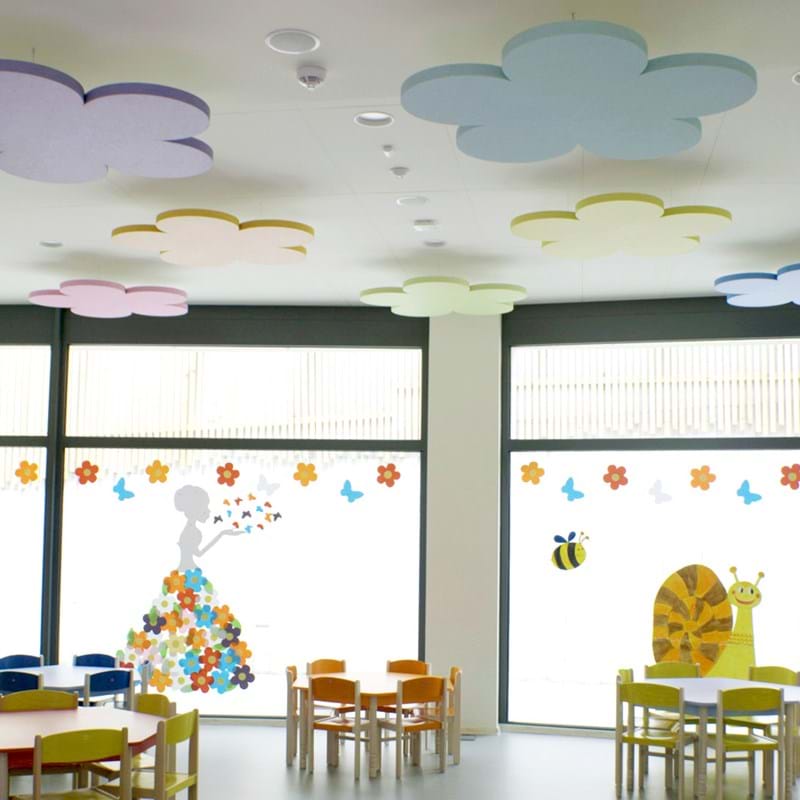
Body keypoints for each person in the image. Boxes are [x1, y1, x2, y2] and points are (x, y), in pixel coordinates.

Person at [119, 485, 255, 694]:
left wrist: (222, 534)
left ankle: (179, 671)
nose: (208, 512)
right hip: (187, 578)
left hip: (186, 575)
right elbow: (198, 553)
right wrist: (222, 534)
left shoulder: (191, 529)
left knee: (179, 623)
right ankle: (171, 670)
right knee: (180, 622)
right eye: (205, 508)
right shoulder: (192, 530)